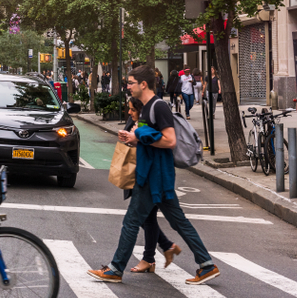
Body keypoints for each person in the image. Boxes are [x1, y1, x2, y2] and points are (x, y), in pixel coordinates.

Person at [88, 64, 220, 285]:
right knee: (179, 222)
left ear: (143, 84)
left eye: (130, 83)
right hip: (156, 175)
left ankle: (115, 269)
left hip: (154, 176)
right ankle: (206, 265)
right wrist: (133, 136)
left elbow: (170, 140)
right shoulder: (147, 106)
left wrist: (138, 137)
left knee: (131, 222)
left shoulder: (158, 107)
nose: (127, 86)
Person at [122, 97, 181, 274]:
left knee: (146, 218)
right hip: (141, 172)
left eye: (132, 109)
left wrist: (136, 135)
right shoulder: (137, 121)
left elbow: (161, 141)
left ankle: (149, 258)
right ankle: (166, 247)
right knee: (147, 217)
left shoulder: (148, 122)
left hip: (151, 174)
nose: (129, 112)